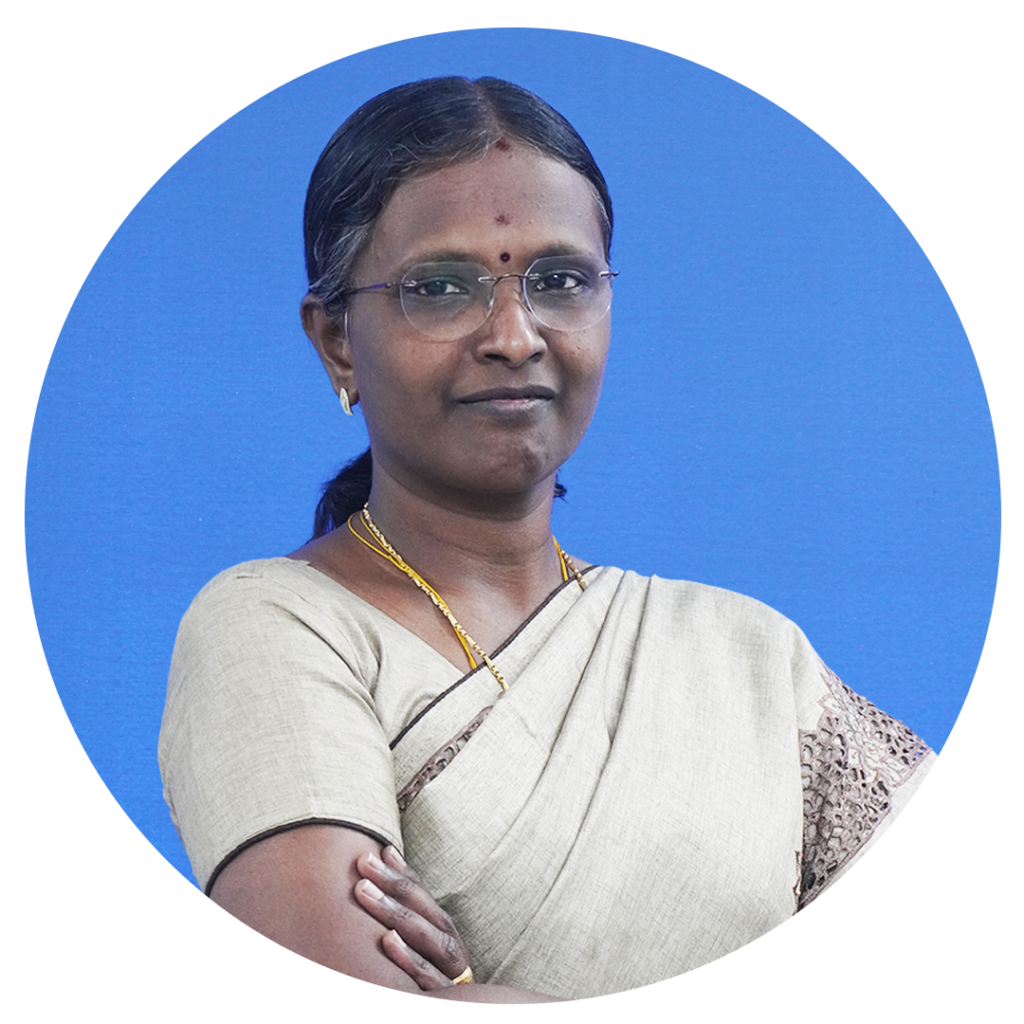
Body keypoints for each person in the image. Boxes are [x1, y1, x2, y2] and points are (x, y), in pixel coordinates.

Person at [158, 76, 936, 1003]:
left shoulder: (754, 659)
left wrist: (488, 994)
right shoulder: (274, 628)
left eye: (560, 281)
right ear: (335, 340)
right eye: (441, 288)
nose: (515, 336)